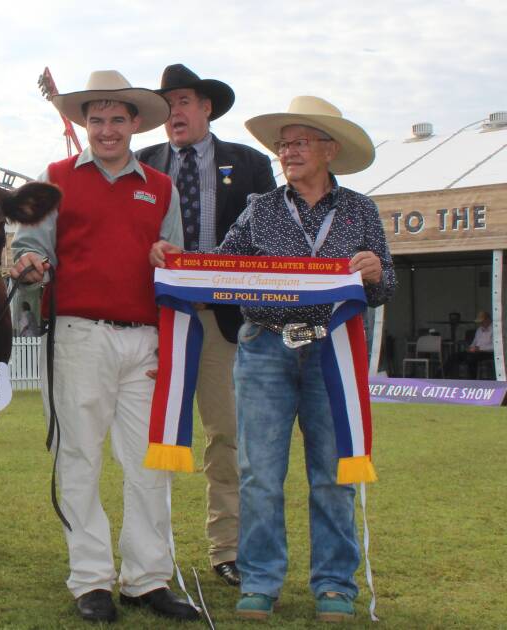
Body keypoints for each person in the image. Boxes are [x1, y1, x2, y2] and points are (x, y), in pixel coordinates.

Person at [153, 95, 395, 622]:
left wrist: (375, 270)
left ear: (328, 149)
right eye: (283, 145)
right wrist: (179, 262)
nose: (288, 152)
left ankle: (334, 584)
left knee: (332, 473)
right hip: (263, 348)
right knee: (258, 471)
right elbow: (223, 264)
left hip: (330, 350)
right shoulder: (260, 208)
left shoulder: (361, 211)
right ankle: (260, 580)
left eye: (299, 142)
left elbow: (384, 286)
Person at [12, 70, 198, 623]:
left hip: (145, 341)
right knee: (78, 459)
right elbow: (28, 244)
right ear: (83, 123)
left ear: (135, 123)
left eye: (118, 119)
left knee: (150, 465)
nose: (107, 129)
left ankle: (147, 579)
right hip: (78, 335)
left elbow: (178, 267)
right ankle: (90, 579)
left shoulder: (161, 188)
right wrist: (29, 263)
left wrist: (169, 333)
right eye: (97, 119)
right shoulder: (54, 177)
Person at [137, 64, 276, 587]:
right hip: (159, 322)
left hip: (224, 323)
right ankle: (150, 551)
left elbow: (269, 239)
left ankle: (227, 549)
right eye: (168, 103)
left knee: (228, 437)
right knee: (151, 437)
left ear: (206, 108)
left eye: (185, 101)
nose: (175, 111)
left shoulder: (251, 164)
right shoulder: (141, 166)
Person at [447, 311, 494, 378]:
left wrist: (479, 348)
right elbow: (474, 342)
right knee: (454, 356)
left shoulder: (494, 330)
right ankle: (441, 377)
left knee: (471, 358)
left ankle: (472, 380)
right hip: (476, 352)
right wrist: (470, 348)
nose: (481, 324)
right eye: (480, 322)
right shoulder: (479, 329)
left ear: (488, 320)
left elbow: (494, 347)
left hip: (488, 353)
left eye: (482, 321)